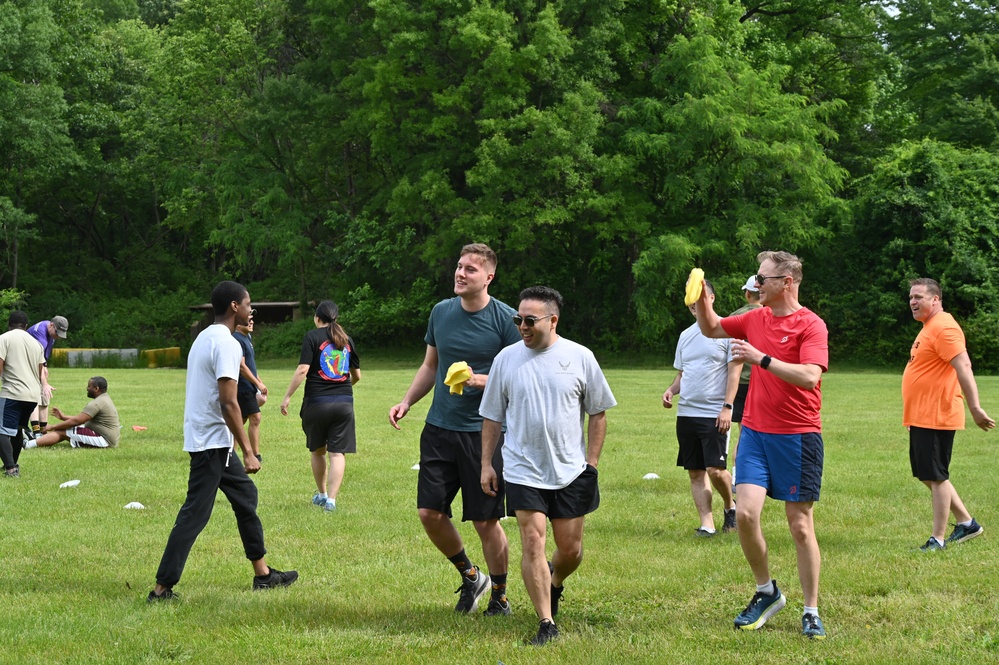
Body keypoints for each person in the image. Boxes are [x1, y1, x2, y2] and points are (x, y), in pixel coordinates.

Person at [693, 251, 829, 639]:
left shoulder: (811, 326)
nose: (756, 284)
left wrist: (761, 359)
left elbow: (808, 377)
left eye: (762, 278)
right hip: (755, 432)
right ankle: (766, 591)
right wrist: (703, 300)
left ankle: (811, 609)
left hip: (798, 436)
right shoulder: (755, 318)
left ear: (787, 282)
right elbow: (712, 328)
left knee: (800, 525)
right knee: (747, 516)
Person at [388, 243, 521, 616]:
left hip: (484, 433)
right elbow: (431, 365)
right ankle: (470, 574)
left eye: (471, 270)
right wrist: (407, 401)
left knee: (484, 520)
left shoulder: (506, 320)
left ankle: (500, 595)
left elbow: (518, 374)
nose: (460, 274)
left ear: (489, 277)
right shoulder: (441, 312)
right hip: (439, 428)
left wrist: (481, 380)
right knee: (429, 513)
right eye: (459, 267)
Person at [480, 286, 617, 646]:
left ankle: (553, 581)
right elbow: (492, 418)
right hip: (523, 468)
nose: (522, 326)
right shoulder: (505, 360)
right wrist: (486, 464)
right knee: (532, 540)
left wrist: (592, 463)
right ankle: (545, 622)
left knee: (570, 550)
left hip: (571, 470)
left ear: (553, 320)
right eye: (517, 320)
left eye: (529, 320)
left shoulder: (580, 356)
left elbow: (598, 412)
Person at [148, 281, 297, 601]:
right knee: (195, 513)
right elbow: (230, 403)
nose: (250, 310)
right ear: (234, 307)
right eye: (248, 304)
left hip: (209, 438)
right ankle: (162, 589)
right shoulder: (228, 343)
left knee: (245, 495)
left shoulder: (206, 337)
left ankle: (263, 574)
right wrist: (249, 451)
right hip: (211, 442)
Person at [902, 278, 994, 552]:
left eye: (919, 296)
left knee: (936, 474)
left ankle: (938, 539)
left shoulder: (944, 327)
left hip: (937, 413)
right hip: (922, 415)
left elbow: (963, 364)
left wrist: (975, 407)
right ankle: (966, 523)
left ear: (936, 300)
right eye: (910, 297)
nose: (913, 302)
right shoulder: (929, 327)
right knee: (928, 474)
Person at [662, 279, 739, 536]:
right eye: (692, 300)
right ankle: (707, 525)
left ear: (712, 299)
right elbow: (683, 374)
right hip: (687, 413)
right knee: (696, 472)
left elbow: (734, 373)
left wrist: (727, 407)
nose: (696, 304)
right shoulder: (685, 336)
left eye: (701, 297)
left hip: (713, 413)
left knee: (716, 470)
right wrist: (671, 390)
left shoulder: (727, 330)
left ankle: (730, 506)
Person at [280, 300, 361, 512]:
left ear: (317, 318)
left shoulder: (312, 337)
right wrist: (341, 388)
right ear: (336, 318)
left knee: (318, 451)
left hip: (316, 403)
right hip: (344, 403)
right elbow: (356, 376)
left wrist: (287, 396)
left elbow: (302, 370)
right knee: (337, 453)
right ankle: (332, 502)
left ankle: (322, 495)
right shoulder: (347, 340)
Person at [0, 311, 50, 477]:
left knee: (2, 432)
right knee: (18, 429)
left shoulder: (4, 338)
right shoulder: (37, 344)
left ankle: (11, 469)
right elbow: (40, 371)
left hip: (12, 393)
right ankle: (12, 463)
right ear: (26, 326)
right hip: (32, 396)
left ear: (9, 324)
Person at [728, 276, 762, 486]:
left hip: (738, 383)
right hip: (763, 382)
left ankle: (736, 475)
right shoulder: (772, 315)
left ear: (747, 293)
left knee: (743, 432)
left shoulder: (735, 317)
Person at [29, 376, 120, 448]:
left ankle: (27, 445)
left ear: (96, 389)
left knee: (63, 431)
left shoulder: (97, 403)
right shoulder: (104, 398)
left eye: (89, 386)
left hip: (104, 441)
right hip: (106, 437)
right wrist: (63, 417)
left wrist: (52, 427)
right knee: (64, 429)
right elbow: (82, 419)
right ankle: (37, 441)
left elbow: (77, 421)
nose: (87, 388)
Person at [25, 315, 68, 438]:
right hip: (29, 364)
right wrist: (44, 381)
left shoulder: (51, 334)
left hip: (38, 363)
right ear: (51, 325)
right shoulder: (40, 333)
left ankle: (43, 430)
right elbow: (37, 358)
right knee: (35, 397)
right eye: (57, 332)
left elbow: (44, 356)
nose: (58, 336)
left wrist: (45, 365)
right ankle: (36, 432)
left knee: (44, 396)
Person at [234, 311, 267, 462]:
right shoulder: (237, 339)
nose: (252, 322)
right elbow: (241, 367)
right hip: (243, 387)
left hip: (250, 385)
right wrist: (257, 383)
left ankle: (230, 454)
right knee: (255, 417)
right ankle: (255, 455)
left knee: (239, 422)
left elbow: (250, 365)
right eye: (249, 320)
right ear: (238, 323)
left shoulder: (247, 337)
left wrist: (260, 382)